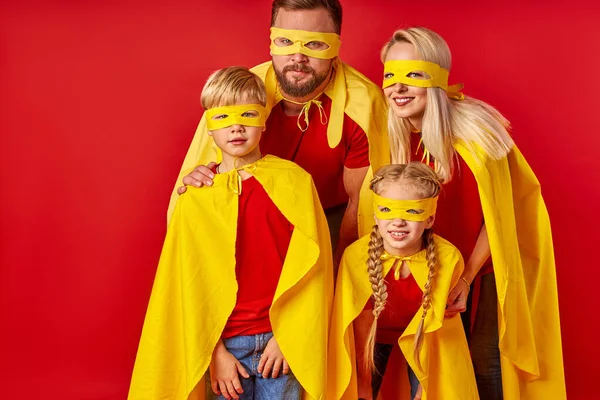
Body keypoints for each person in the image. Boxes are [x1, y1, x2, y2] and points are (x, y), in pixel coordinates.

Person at [380, 27, 565, 399]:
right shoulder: (400, 138)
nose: (398, 88)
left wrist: (466, 278)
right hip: (441, 268)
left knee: (487, 363)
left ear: (437, 79)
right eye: (390, 76)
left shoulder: (475, 134)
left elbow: (501, 218)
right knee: (445, 366)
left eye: (413, 74)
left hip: (487, 267)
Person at [128, 67, 333, 400]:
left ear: (265, 120)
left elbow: (314, 270)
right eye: (223, 117)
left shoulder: (295, 183)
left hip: (282, 340)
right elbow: (188, 285)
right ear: (208, 127)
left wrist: (289, 337)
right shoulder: (195, 196)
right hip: (225, 343)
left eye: (248, 115)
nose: (236, 126)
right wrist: (215, 352)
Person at [170, 0, 389, 262]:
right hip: (249, 212)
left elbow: (362, 204)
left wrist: (342, 270)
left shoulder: (364, 105)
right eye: (286, 42)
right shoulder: (242, 93)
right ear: (272, 42)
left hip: (328, 217)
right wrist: (198, 183)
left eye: (315, 43)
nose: (298, 57)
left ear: (335, 48)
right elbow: (195, 178)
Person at [328, 162, 478, 400]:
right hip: (371, 339)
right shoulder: (357, 257)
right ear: (376, 214)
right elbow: (360, 325)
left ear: (429, 219)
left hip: (425, 341)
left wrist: (425, 389)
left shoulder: (447, 258)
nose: (398, 221)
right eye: (388, 210)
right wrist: (363, 384)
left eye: (411, 211)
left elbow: (435, 334)